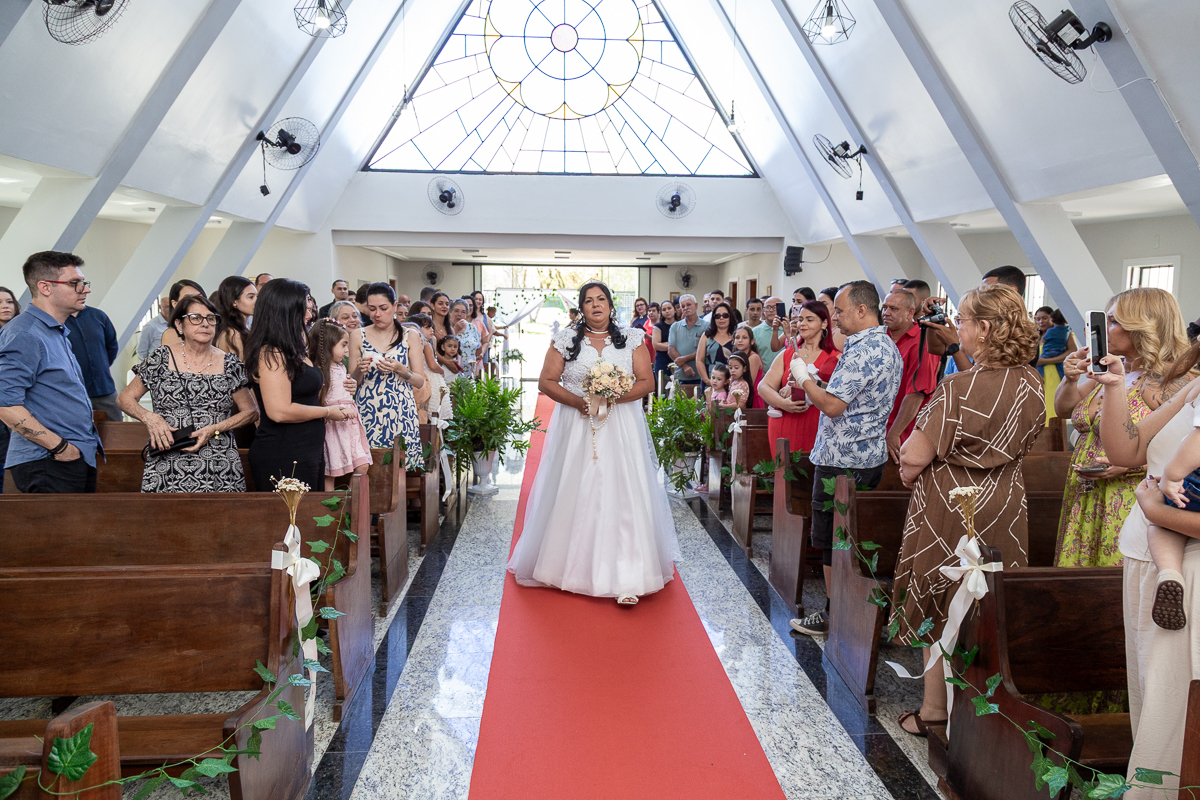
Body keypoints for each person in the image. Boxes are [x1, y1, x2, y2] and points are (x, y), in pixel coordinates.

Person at [889, 284, 1045, 737]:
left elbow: (915, 456)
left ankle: (936, 708)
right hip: (1004, 501)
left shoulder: (959, 386)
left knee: (940, 594)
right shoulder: (1031, 384)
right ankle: (986, 705)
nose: (958, 327)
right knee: (987, 599)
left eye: (963, 319)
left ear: (986, 329)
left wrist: (911, 469)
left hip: (951, 504)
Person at [507, 282, 680, 605]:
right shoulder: (565, 341)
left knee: (623, 492)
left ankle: (629, 572)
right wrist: (578, 402)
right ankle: (567, 569)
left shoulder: (630, 339)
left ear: (611, 305)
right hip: (578, 426)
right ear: (582, 308)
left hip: (620, 426)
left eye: (601, 299)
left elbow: (646, 382)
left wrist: (613, 397)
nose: (596, 305)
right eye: (589, 301)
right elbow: (546, 381)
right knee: (577, 489)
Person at [1095, 343, 1200, 798]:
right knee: (1149, 692)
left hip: (1187, 558)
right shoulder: (1194, 388)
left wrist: (1154, 511)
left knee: (1173, 699)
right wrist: (1116, 387)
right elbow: (1126, 448)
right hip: (1150, 558)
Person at [789, 282, 902, 638]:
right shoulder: (887, 346)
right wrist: (823, 379)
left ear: (861, 311)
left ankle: (833, 614)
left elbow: (833, 406)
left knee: (832, 539)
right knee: (852, 537)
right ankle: (852, 611)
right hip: (869, 456)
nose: (834, 316)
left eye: (838, 310)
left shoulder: (861, 351)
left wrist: (804, 379)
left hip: (842, 460)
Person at [1054, 288, 1190, 568]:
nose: (1104, 330)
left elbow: (1185, 450)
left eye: (1113, 322)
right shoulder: (1109, 371)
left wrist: (1128, 465)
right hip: (1086, 490)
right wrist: (1069, 379)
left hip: (1125, 493)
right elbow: (1065, 410)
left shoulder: (1169, 383)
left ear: (1143, 328)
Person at [117, 295, 257, 492]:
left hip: (218, 459)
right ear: (179, 325)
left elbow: (251, 411)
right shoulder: (161, 358)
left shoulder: (230, 363)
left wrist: (215, 428)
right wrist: (150, 418)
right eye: (195, 318)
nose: (205, 324)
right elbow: (124, 398)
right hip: (169, 456)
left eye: (210, 318)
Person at [0, 251, 103, 493]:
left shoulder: (54, 331)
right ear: (45, 287)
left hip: (69, 456)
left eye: (83, 283)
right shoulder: (26, 334)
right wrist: (59, 448)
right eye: (74, 283)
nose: (85, 290)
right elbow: (5, 404)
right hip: (48, 460)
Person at [244, 279, 350, 491]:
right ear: (284, 312)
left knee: (308, 519)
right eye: (303, 310)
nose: (309, 316)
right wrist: (327, 412)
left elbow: (304, 391)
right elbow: (279, 411)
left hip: (307, 447)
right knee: (290, 521)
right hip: (284, 450)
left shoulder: (292, 347)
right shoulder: (271, 352)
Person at [350, 283, 426, 470]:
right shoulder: (357, 335)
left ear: (394, 306)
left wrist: (401, 369)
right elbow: (352, 383)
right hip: (368, 408)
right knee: (370, 466)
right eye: (372, 308)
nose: (377, 314)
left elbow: (419, 381)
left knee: (400, 466)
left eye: (383, 308)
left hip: (401, 408)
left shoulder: (410, 335)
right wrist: (360, 369)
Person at [759, 300, 840, 458]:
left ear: (824, 324)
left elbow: (838, 393)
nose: (803, 324)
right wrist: (783, 403)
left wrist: (811, 382)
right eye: (800, 319)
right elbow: (764, 386)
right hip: (785, 422)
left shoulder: (835, 357)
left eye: (809, 320)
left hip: (816, 423)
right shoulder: (787, 354)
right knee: (785, 474)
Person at [308, 319, 370, 492]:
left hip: (349, 426)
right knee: (330, 473)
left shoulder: (341, 367)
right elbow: (321, 400)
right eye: (343, 345)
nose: (347, 350)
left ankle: (350, 504)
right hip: (333, 424)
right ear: (328, 344)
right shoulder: (319, 370)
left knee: (362, 465)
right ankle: (331, 511)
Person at [882, 290, 940, 463]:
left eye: (893, 309)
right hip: (879, 429)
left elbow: (916, 394)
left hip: (904, 433)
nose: (886, 313)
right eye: (884, 307)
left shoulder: (921, 341)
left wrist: (894, 434)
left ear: (910, 312)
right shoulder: (882, 338)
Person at [65, 305, 123, 421]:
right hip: (73, 394)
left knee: (117, 431)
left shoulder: (98, 316)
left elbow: (111, 347)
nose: (83, 292)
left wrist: (102, 367)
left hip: (105, 389)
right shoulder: (57, 320)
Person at [1035, 307, 1077, 420]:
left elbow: (1072, 351)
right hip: (1038, 375)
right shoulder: (1035, 336)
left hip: (1055, 374)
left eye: (1044, 318)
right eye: (1037, 319)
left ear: (1052, 318)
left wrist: (1046, 361)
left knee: (1051, 403)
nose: (1041, 322)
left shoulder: (1065, 334)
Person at [411, 313, 451, 419]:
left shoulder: (417, 342)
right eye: (427, 327)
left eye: (432, 327)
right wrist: (441, 370)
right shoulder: (425, 343)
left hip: (422, 377)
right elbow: (432, 365)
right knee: (435, 413)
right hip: (430, 378)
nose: (432, 330)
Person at [0, 286, 20, 491]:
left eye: (9, 301)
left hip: (19, 405)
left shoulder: (23, 331)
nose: (5, 306)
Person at [212, 276, 257, 361]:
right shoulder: (233, 334)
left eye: (257, 296)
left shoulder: (237, 330)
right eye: (251, 297)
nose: (256, 301)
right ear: (234, 301)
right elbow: (242, 369)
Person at [155, 280, 206, 352]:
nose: (196, 302)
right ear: (175, 304)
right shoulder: (172, 334)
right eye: (188, 298)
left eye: (200, 297)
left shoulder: (209, 326)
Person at [695, 301, 736, 386]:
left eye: (725, 315)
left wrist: (732, 381)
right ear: (713, 319)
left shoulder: (736, 335)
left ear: (730, 317)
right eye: (717, 316)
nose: (721, 318)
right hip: (710, 380)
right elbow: (699, 360)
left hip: (732, 381)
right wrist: (707, 380)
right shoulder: (707, 335)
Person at [668, 294, 704, 386]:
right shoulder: (675, 326)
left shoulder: (706, 326)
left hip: (701, 375)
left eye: (689, 304)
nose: (686, 308)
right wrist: (685, 366)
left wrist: (684, 358)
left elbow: (706, 350)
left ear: (696, 306)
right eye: (683, 306)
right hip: (680, 376)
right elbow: (671, 350)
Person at [730, 324, 764, 407]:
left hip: (751, 399)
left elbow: (748, 383)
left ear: (752, 341)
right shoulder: (735, 357)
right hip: (736, 397)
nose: (740, 340)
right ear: (733, 341)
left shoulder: (753, 358)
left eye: (744, 338)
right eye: (737, 338)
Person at [450, 298, 482, 379]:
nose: (459, 314)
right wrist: (455, 330)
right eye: (456, 311)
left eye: (463, 312)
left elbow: (478, 348)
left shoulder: (471, 327)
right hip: (451, 372)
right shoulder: (447, 328)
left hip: (469, 372)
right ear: (450, 312)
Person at [753, 295, 787, 370]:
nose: (771, 310)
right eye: (768, 307)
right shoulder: (755, 331)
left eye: (775, 307)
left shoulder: (787, 329)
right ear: (763, 310)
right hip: (763, 375)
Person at [652, 299, 677, 384]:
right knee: (663, 387)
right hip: (662, 360)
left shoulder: (680, 325)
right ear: (661, 312)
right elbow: (656, 345)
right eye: (664, 309)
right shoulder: (658, 326)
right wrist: (674, 346)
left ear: (675, 309)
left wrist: (666, 344)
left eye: (669, 308)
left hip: (678, 359)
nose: (667, 311)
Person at [818, 287, 847, 352]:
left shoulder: (841, 331)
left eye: (824, 304)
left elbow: (833, 356)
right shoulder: (822, 328)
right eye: (819, 304)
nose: (820, 308)